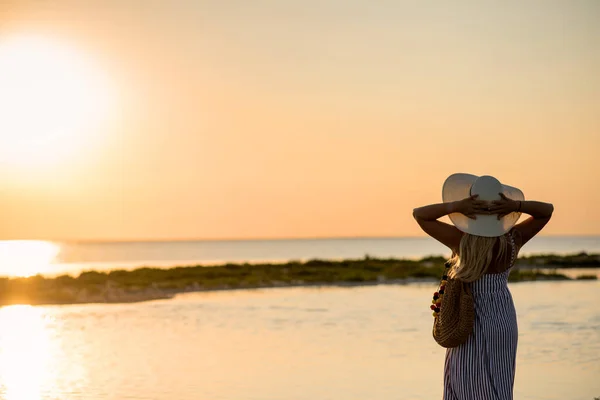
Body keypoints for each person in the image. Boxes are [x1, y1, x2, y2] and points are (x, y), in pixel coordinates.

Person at [412, 173, 554, 400]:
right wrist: (515, 206)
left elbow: (420, 215)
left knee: (465, 378)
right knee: (498, 381)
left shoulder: (460, 240)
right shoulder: (513, 239)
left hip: (468, 317)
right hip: (502, 317)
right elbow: (547, 210)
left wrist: (456, 206)